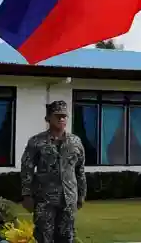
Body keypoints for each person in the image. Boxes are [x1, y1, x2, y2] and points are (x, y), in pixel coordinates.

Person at [21, 100, 86, 243]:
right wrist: (27, 195)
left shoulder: (75, 142)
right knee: (44, 237)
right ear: (48, 118)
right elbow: (27, 168)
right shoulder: (36, 142)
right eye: (57, 116)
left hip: (68, 198)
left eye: (64, 116)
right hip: (45, 199)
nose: (61, 119)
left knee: (66, 237)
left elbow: (80, 170)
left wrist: (81, 195)